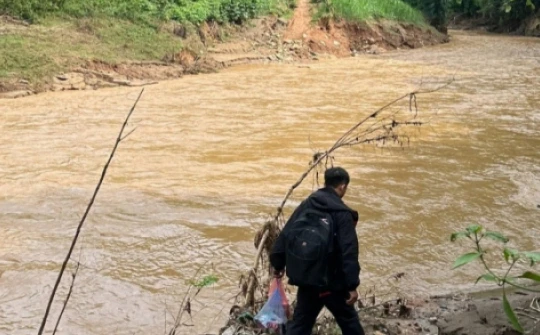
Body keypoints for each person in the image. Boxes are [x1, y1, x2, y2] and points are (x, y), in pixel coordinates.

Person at [270, 167, 364, 335]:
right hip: (333, 283)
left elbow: (286, 234)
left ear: (325, 183)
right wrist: (352, 285)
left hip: (308, 279)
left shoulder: (307, 205)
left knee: (300, 325)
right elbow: (348, 251)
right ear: (342, 186)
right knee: (350, 323)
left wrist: (277, 264)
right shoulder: (342, 213)